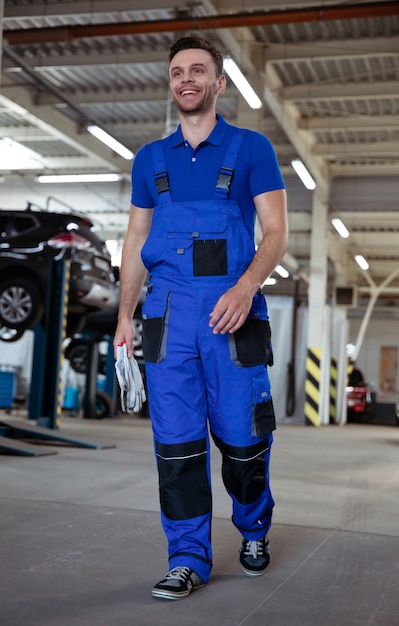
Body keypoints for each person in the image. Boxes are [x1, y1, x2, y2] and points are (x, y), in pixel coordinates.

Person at [114, 35, 288, 600]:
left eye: (198, 70)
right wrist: (124, 316)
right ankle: (187, 556)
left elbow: (276, 233)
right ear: (170, 84)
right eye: (176, 72)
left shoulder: (251, 148)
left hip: (231, 315)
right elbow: (137, 242)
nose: (186, 79)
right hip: (168, 318)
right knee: (178, 446)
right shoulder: (150, 160)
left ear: (219, 82)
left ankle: (254, 527)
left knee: (243, 440)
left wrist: (244, 289)